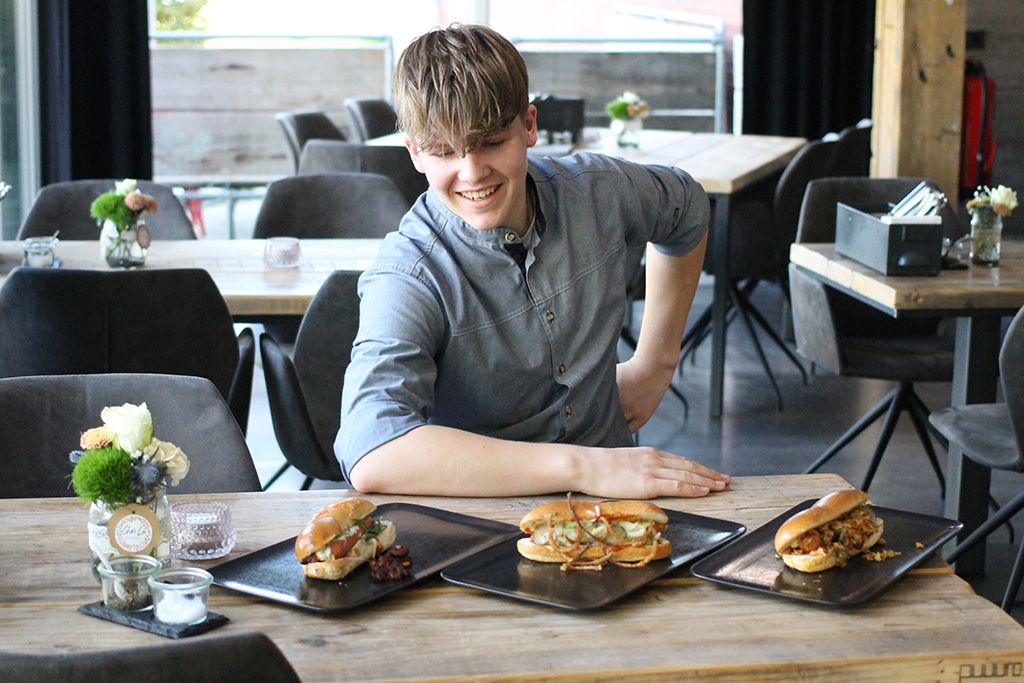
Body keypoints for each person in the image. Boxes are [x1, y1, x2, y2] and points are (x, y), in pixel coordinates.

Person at [336, 23, 730, 499]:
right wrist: (583, 468)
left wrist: (656, 363)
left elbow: (686, 207)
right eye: (444, 152)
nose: (472, 172)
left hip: (624, 512)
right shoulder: (408, 273)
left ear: (528, 126)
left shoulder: (598, 190)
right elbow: (371, 448)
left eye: (491, 142)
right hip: (482, 523)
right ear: (415, 153)